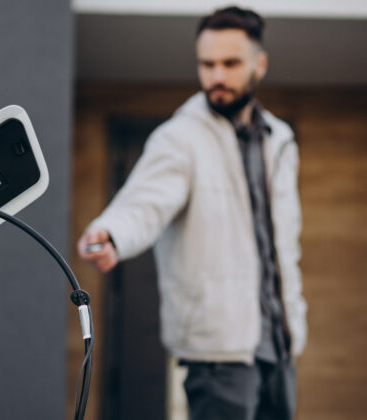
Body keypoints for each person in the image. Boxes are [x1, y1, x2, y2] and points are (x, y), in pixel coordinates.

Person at [77, 6, 307, 420]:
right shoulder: (179, 138)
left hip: (280, 345)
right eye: (207, 64)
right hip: (217, 353)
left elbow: (284, 247)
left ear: (260, 64)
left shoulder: (280, 141)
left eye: (230, 63)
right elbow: (144, 202)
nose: (216, 76)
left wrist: (294, 319)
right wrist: (112, 233)